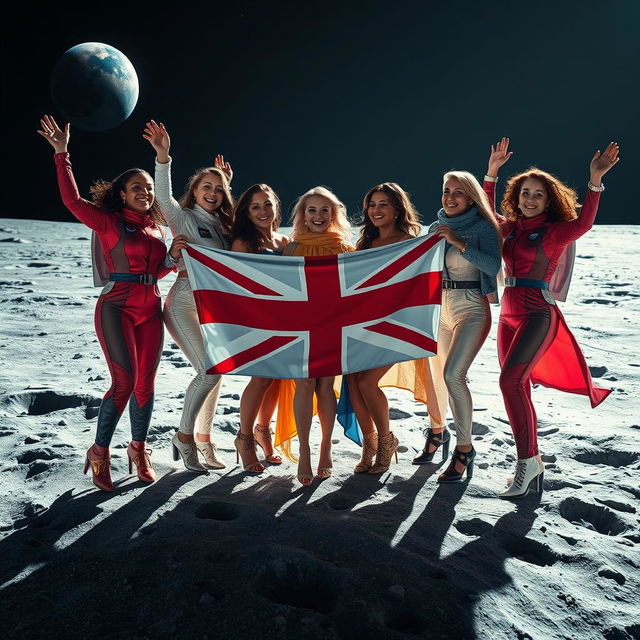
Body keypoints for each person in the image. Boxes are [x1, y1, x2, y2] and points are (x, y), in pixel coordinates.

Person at [37, 115, 181, 491]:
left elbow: (155, 273)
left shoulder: (155, 227)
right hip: (116, 308)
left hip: (150, 308)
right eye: (137, 187)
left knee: (146, 385)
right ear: (121, 193)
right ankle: (100, 452)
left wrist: (172, 258)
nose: (145, 193)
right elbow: (71, 200)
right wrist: (61, 154)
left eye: (149, 188)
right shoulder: (109, 222)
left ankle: (138, 449)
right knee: (124, 382)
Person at [486, 138, 619, 498]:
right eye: (525, 193)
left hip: (537, 314)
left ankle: (527, 464)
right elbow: (487, 212)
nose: (530, 199)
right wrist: (492, 173)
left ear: (549, 201)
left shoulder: (557, 231)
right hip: (508, 316)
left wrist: (595, 181)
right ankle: (532, 462)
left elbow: (586, 222)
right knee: (517, 386)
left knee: (510, 383)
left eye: (538, 195)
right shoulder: (510, 228)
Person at [143, 120, 234, 472]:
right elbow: (163, 197)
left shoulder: (223, 227)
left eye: (218, 189)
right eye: (205, 187)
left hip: (213, 308)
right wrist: (163, 156)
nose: (212, 192)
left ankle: (204, 441)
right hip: (183, 303)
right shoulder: (181, 218)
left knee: (218, 372)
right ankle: (183, 437)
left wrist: (227, 182)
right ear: (194, 191)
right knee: (209, 370)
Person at [412, 172, 502, 483]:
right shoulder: (436, 227)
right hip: (441, 308)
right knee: (436, 377)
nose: (450, 198)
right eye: (446, 190)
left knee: (454, 376)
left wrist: (458, 242)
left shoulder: (482, 227)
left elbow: (492, 266)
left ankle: (465, 449)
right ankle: (438, 433)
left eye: (458, 193)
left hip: (471, 307)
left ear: (471, 198)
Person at [345, 183, 423, 474]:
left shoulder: (409, 242)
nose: (376, 210)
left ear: (397, 209)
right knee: (352, 383)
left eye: (383, 204)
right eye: (372, 204)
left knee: (367, 383)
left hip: (394, 324)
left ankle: (387, 442)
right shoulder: (364, 244)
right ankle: (370, 444)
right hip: (360, 324)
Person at [282, 187, 353, 484]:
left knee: (326, 387)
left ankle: (325, 447)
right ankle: (305, 450)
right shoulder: (290, 249)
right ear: (303, 215)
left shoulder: (348, 251)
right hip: (301, 326)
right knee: (304, 384)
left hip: (333, 325)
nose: (318, 216)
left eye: (325, 210)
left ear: (334, 215)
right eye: (312, 210)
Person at [231, 184, 289, 473]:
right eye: (255, 206)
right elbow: (237, 285)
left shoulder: (284, 241)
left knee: (277, 379)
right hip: (258, 320)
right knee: (261, 379)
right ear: (246, 212)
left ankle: (263, 430)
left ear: (275, 207)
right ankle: (244, 439)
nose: (263, 211)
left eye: (267, 204)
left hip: (286, 320)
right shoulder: (243, 242)